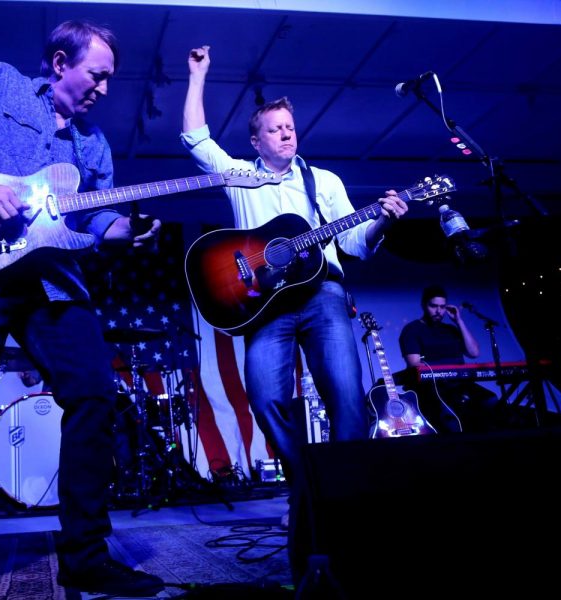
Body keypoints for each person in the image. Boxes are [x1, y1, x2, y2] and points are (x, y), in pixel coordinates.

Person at [0, 20, 164, 600]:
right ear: (59, 63)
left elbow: (96, 224)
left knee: (95, 394)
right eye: (97, 75)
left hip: (53, 282)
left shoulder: (93, 145)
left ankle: (86, 557)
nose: (104, 88)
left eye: (109, 80)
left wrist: (130, 228)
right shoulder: (1, 84)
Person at [181, 44, 409, 577]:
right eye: (276, 128)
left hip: (324, 295)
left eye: (291, 126)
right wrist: (198, 75)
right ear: (257, 140)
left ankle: (347, 500)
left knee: (347, 400)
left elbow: (352, 244)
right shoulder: (239, 174)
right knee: (263, 397)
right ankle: (308, 486)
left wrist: (385, 220)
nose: (287, 133)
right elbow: (195, 138)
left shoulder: (323, 183)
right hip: (266, 308)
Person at [399, 285, 504, 433]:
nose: (438, 311)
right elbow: (414, 363)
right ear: (424, 305)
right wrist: (444, 370)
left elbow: (474, 352)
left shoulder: (452, 329)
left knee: (490, 400)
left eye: (442, 307)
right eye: (434, 306)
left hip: (460, 384)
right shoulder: (412, 330)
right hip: (433, 386)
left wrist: (459, 321)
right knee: (451, 413)